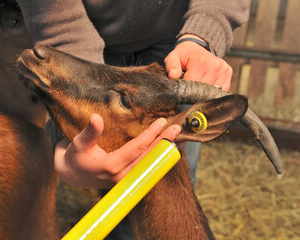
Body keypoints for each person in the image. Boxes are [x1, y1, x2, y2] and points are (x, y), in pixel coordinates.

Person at [16, 0, 250, 238]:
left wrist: (202, 36)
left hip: (177, 35)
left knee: (171, 172)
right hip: (85, 33)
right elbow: (61, 28)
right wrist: (63, 144)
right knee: (112, 181)